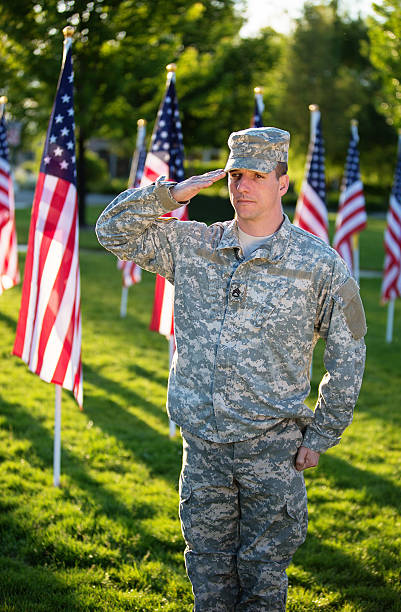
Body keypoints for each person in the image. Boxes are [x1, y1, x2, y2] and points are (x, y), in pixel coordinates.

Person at [96, 127, 366, 611]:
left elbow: (348, 355)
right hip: (203, 446)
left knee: (263, 579)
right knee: (208, 571)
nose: (242, 186)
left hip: (273, 448)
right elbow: (112, 230)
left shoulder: (318, 266)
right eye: (235, 175)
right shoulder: (195, 245)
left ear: (283, 183)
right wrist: (171, 193)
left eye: (257, 176)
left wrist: (323, 434)